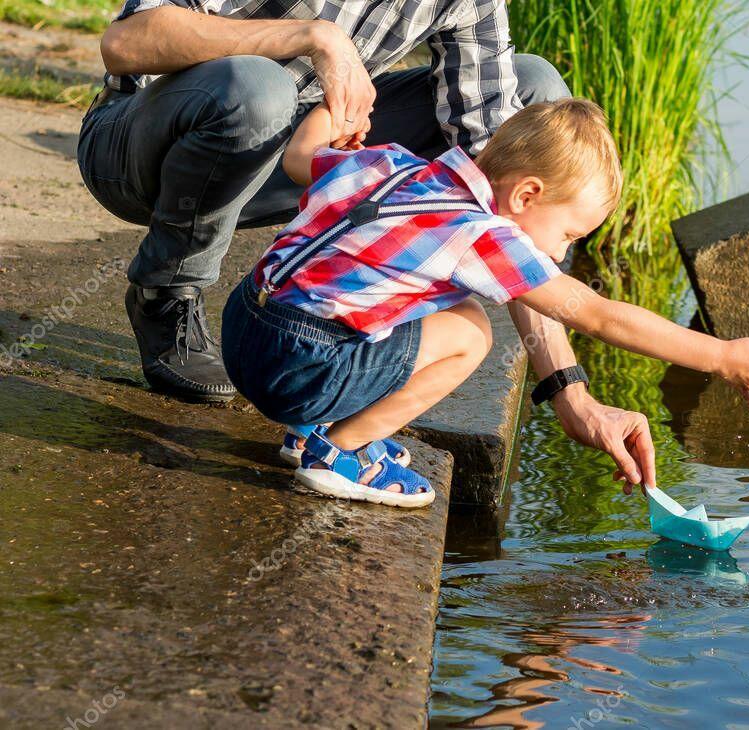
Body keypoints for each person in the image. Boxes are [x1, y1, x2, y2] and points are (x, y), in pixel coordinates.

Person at [77, 0, 668, 492]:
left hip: (311, 154)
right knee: (259, 86)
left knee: (532, 94)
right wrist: (315, 38)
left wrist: (569, 391)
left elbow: (507, 205)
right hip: (149, 141)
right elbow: (126, 44)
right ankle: (168, 289)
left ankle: (350, 323)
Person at [219, 98, 749, 508]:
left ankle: (308, 431)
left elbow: (302, 157)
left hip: (242, 327)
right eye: (569, 235)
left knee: (390, 301)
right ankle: (338, 453)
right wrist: (720, 356)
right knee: (471, 332)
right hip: (298, 367)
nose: (562, 251)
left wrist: (336, 109)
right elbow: (596, 314)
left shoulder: (393, 164)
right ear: (526, 195)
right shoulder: (482, 233)